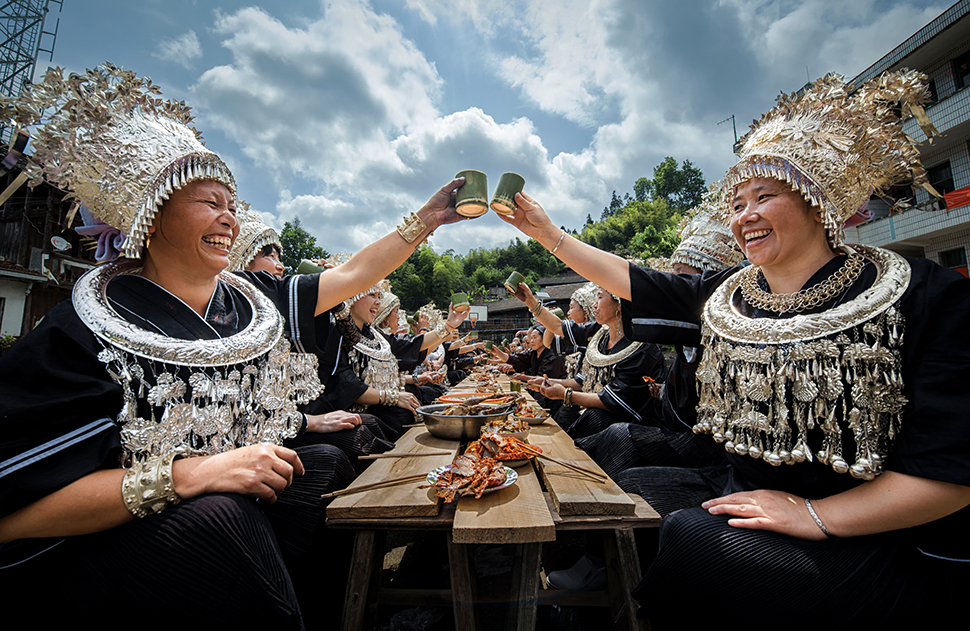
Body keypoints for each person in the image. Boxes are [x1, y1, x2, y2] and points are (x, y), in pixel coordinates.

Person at [0, 64, 466, 627]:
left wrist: (427, 219)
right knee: (222, 516)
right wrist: (188, 476)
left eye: (231, 203)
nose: (229, 216)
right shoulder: (80, 332)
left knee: (317, 469)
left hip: (216, 510)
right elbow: (14, 516)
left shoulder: (250, 301)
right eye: (208, 202)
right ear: (153, 214)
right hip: (102, 552)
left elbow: (353, 274)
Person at [500, 70, 970, 627]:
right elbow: (636, 280)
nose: (744, 215)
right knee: (632, 487)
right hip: (745, 487)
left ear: (818, 200)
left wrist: (816, 514)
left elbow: (949, 478)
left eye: (764, 196)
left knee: (690, 534)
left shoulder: (928, 296)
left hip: (873, 533)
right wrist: (548, 233)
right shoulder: (726, 296)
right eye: (737, 201)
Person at [576, 200, 745, 478]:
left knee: (619, 436)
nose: (674, 286)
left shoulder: (730, 340)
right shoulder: (680, 340)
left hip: (710, 446)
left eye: (682, 280)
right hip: (674, 429)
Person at [508, 281, 665, 439]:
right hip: (593, 413)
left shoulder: (641, 347)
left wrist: (565, 394)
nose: (594, 305)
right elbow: (557, 326)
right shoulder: (599, 333)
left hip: (624, 429)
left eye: (599, 298)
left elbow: (613, 401)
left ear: (620, 303)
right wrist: (530, 300)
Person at [323, 282, 467, 438]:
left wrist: (450, 325)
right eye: (372, 295)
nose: (378, 301)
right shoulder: (334, 334)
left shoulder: (376, 334)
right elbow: (346, 386)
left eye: (379, 296)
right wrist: (392, 397)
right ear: (351, 297)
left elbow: (410, 345)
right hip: (353, 414)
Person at [488, 325, 566, 415]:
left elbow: (545, 379)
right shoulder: (532, 353)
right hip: (538, 396)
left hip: (553, 400)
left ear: (545, 337)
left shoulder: (554, 356)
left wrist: (523, 377)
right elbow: (513, 359)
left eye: (534, 337)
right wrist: (497, 351)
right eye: (531, 338)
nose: (531, 341)